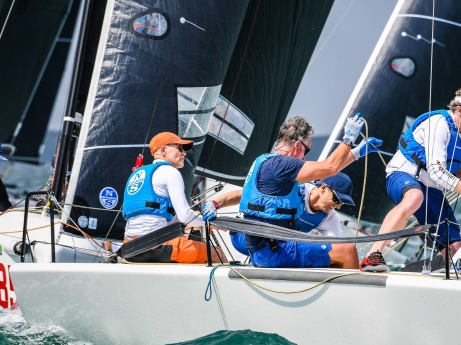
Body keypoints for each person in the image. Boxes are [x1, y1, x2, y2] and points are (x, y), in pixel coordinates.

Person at [205, 115, 381, 269]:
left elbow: (327, 175)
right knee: (348, 251)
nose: (304, 157)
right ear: (297, 144)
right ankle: (348, 304)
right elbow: (328, 168)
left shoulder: (269, 163)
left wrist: (358, 152)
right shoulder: (282, 165)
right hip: (274, 250)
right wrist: (348, 139)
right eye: (307, 150)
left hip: (267, 247)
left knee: (335, 251)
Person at [360, 83, 461, 273]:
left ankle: (448, 274)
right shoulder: (439, 124)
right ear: (460, 110)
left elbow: (456, 158)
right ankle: (372, 256)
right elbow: (436, 171)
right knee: (415, 197)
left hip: (431, 188)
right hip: (402, 175)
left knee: (454, 248)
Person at [207, 172, 359, 264]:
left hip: (278, 246)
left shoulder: (328, 218)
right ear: (324, 187)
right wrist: (214, 204)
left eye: (342, 203)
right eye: (337, 200)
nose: (338, 206)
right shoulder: (294, 190)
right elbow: (244, 195)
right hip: (243, 237)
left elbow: (335, 249)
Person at [120, 132, 224, 263]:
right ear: (163, 150)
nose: (184, 153)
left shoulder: (137, 174)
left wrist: (197, 219)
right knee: (216, 253)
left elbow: (165, 218)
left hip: (130, 248)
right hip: (156, 247)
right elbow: (185, 217)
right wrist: (211, 222)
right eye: (180, 148)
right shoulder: (170, 172)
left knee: (188, 245)